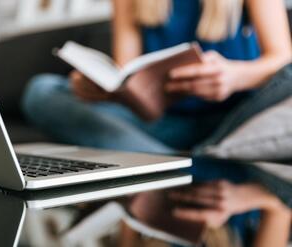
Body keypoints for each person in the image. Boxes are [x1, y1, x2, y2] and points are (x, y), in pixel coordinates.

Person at [22, 0, 292, 155]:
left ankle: (161, 163)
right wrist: (99, 86)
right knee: (42, 91)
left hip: (235, 123)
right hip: (159, 124)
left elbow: (282, 59)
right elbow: (127, 72)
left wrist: (234, 77)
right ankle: (186, 163)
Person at [127, 180, 291, 247]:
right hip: (240, 168)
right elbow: (280, 206)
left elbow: (123, 211)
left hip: (161, 170)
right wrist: (241, 196)